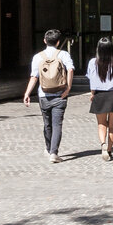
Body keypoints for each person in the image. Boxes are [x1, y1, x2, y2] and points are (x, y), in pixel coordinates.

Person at [23, 28, 74, 163]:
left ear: (45, 41)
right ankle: (54, 152)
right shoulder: (63, 55)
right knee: (57, 124)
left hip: (43, 95)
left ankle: (48, 148)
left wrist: (27, 93)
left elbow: (34, 77)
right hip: (60, 95)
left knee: (47, 124)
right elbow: (70, 69)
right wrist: (68, 88)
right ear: (58, 42)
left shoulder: (38, 57)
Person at [87, 36, 113, 160]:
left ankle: (103, 144)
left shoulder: (92, 62)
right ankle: (109, 150)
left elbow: (92, 81)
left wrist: (92, 94)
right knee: (112, 125)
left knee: (101, 124)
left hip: (99, 95)